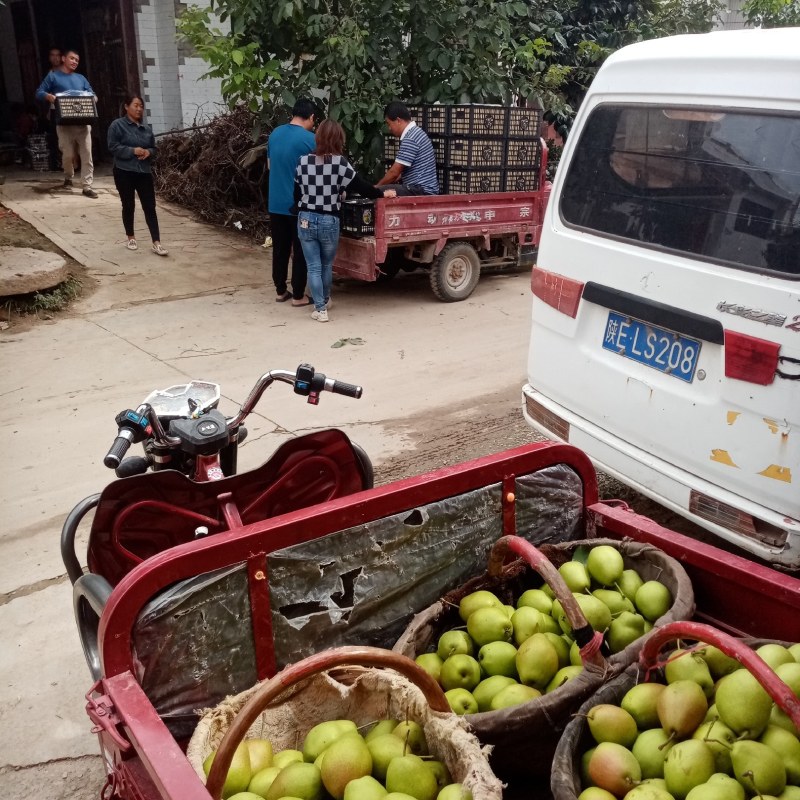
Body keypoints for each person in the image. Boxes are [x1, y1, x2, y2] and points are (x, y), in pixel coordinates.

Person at [295, 119, 396, 323]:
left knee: (312, 266)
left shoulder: (303, 161)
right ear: (339, 139)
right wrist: (380, 194)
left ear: (319, 137)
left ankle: (320, 308)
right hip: (328, 220)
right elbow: (361, 186)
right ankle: (325, 301)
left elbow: (296, 193)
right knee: (325, 266)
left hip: (306, 217)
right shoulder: (339, 163)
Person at [267, 99, 316, 306]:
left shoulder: (275, 134)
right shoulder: (311, 140)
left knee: (280, 248)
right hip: (298, 205)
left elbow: (270, 165)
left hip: (275, 202)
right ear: (311, 117)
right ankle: (298, 295)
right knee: (301, 250)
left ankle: (280, 290)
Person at [107, 95, 168, 256]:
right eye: (135, 105)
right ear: (126, 106)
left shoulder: (146, 129)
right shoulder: (117, 125)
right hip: (123, 171)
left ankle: (156, 242)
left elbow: (154, 148)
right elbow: (113, 147)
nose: (139, 109)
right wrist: (132, 151)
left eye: (141, 105)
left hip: (143, 172)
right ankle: (131, 237)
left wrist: (149, 152)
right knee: (128, 205)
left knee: (150, 206)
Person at [35, 49, 97, 198]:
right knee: (68, 155)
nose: (75, 61)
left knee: (87, 153)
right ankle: (68, 176)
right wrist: (48, 96)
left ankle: (87, 186)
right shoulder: (53, 77)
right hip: (63, 124)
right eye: (72, 58)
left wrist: (94, 97)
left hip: (83, 123)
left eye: (77, 60)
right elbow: (39, 92)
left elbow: (92, 93)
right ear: (63, 59)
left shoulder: (81, 78)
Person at [377, 101, 439, 196]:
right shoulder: (415, 132)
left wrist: (377, 187)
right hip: (420, 188)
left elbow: (394, 172)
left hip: (421, 190)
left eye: (389, 124)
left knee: (381, 192)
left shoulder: (410, 138)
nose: (389, 128)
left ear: (398, 120)